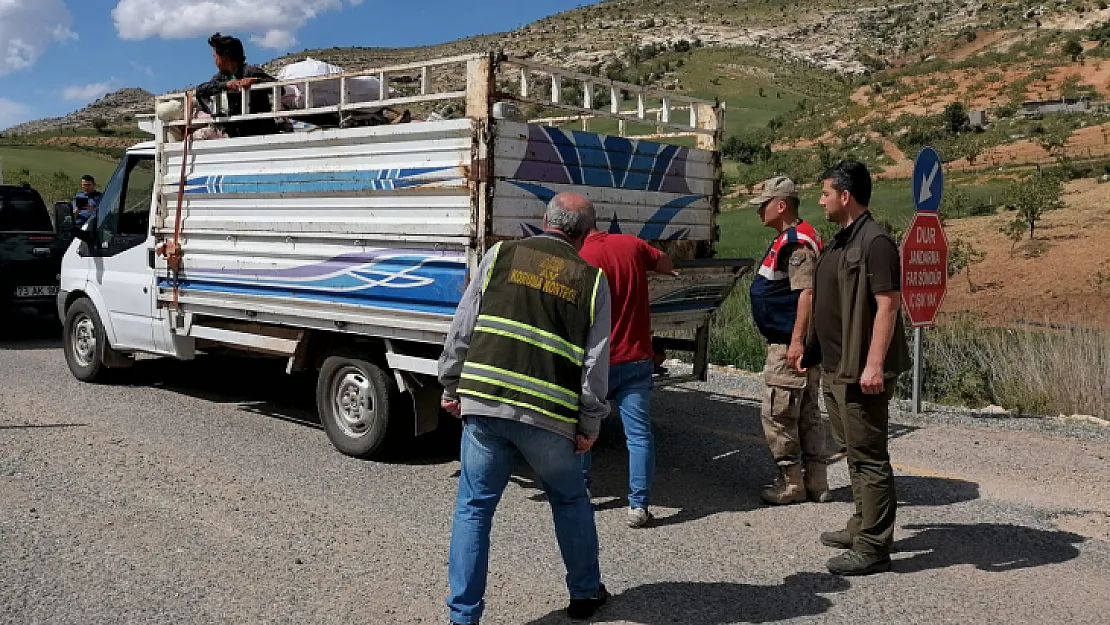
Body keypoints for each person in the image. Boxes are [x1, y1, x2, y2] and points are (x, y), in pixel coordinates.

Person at [438, 192, 612, 624]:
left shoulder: (499, 255)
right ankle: (585, 595)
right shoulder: (592, 280)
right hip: (549, 414)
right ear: (587, 234)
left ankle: (463, 617)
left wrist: (451, 382)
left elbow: (464, 324)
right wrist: (589, 421)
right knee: (570, 499)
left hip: (486, 403)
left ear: (544, 220)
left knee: (475, 508)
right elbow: (596, 360)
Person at [797, 160, 911, 576]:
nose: (820, 200)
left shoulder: (876, 242)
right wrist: (807, 348)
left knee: (869, 456)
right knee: (854, 451)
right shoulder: (842, 239)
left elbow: (889, 305)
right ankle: (862, 523)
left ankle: (874, 546)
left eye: (825, 193)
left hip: (860, 371)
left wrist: (874, 365)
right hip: (836, 366)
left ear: (845, 196)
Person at [578, 220, 675, 528]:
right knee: (639, 435)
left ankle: (582, 494)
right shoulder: (631, 244)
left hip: (598, 363)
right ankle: (638, 506)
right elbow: (666, 263)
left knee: (583, 429)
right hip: (636, 358)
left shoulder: (579, 255)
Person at [747, 176, 829, 506]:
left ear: (781, 205)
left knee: (778, 414)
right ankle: (817, 483)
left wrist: (796, 342)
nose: (758, 213)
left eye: (763, 206)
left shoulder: (795, 243)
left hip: (788, 346)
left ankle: (791, 483)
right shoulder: (792, 237)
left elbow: (805, 292)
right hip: (798, 343)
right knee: (807, 411)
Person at [195, 33, 278, 137]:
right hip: (236, 134)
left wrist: (255, 81)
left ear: (224, 56)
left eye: (215, 56)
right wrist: (225, 85)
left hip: (262, 132)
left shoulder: (250, 72)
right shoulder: (222, 77)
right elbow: (201, 90)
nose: (215, 61)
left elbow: (279, 88)